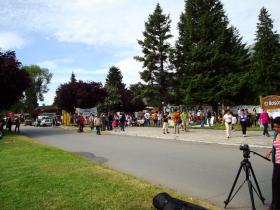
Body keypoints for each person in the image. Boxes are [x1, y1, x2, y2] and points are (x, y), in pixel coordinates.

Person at [265, 117, 280, 210]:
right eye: (275, 127)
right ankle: (274, 204)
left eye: (278, 127)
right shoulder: (275, 134)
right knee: (275, 184)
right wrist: (270, 151)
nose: (276, 129)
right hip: (276, 163)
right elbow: (275, 145)